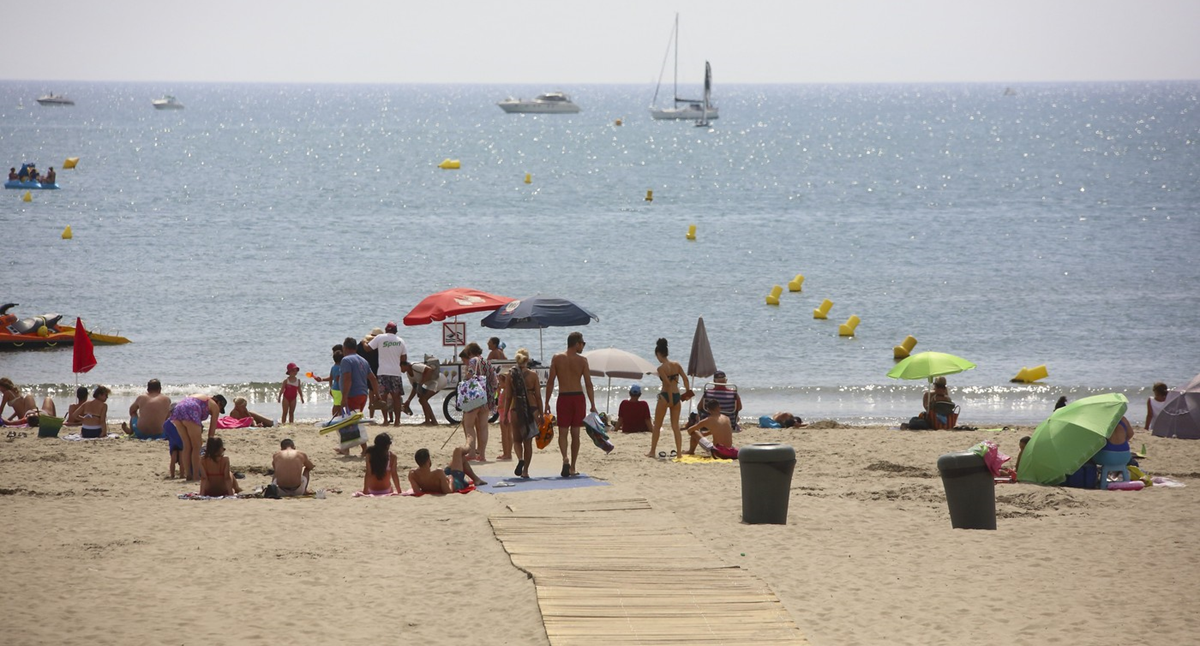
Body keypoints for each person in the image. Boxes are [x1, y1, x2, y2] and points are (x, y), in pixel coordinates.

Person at [545, 332, 597, 477]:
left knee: (562, 432)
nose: (583, 346)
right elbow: (588, 384)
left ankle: (565, 458)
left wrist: (546, 402)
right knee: (575, 434)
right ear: (577, 343)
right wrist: (593, 404)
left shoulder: (557, 358)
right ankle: (573, 467)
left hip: (564, 398)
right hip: (578, 398)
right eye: (583, 343)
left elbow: (550, 382)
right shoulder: (583, 361)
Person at [648, 338, 691, 458]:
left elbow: (667, 385)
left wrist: (670, 401)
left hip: (666, 397)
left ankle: (652, 452)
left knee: (657, 425)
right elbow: (685, 379)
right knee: (675, 426)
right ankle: (678, 453)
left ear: (658, 354)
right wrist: (688, 393)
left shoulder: (661, 368)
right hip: (677, 395)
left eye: (657, 356)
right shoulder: (676, 365)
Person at [169, 394, 227, 481]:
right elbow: (212, 427)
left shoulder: (200, 397)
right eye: (220, 408)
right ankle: (196, 475)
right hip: (191, 408)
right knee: (197, 446)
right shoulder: (214, 405)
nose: (218, 411)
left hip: (178, 408)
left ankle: (188, 474)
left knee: (187, 445)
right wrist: (210, 443)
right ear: (218, 402)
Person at [339, 336, 379, 456]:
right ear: (356, 347)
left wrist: (344, 397)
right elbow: (373, 379)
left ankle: (355, 448)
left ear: (344, 348)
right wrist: (377, 395)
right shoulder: (363, 360)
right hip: (363, 394)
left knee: (350, 422)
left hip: (353, 394)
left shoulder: (346, 360)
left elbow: (347, 379)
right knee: (354, 421)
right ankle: (352, 448)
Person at [507, 348, 542, 479]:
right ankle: (525, 471)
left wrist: (504, 414)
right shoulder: (533, 375)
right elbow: (538, 396)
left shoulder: (511, 374)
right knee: (528, 442)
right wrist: (542, 413)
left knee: (516, 440)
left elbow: (508, 397)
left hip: (516, 409)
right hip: (531, 410)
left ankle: (520, 459)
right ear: (527, 360)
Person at [460, 343, 495, 462]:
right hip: (485, 398)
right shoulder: (488, 362)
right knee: (483, 427)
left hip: (474, 397)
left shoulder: (473, 361)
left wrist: (464, 380)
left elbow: (470, 375)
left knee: (468, 425)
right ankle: (482, 455)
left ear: (470, 352)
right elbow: (494, 382)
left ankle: (471, 453)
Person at [369, 322, 408, 426]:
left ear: (386, 330)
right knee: (396, 398)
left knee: (383, 397)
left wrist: (364, 341)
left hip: (382, 371)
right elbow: (404, 359)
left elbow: (368, 348)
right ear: (396, 331)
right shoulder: (401, 341)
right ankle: (397, 421)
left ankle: (386, 420)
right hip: (396, 372)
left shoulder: (380, 337)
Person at [408, 447, 487, 494]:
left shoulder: (412, 474)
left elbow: (417, 492)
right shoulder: (438, 472)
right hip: (456, 482)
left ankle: (476, 479)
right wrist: (450, 479)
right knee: (458, 451)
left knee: (460, 457)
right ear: (428, 460)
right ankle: (470, 446)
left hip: (442, 477)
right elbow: (448, 491)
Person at [401, 359, 439, 426]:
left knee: (423, 400)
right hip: (429, 384)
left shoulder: (414, 366)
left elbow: (429, 370)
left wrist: (421, 383)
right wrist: (409, 400)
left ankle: (430, 421)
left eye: (400, 367)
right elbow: (414, 387)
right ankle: (431, 421)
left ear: (404, 365)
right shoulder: (409, 374)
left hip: (436, 382)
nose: (400, 370)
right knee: (422, 400)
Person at [358, 328, 384, 419]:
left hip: (366, 371)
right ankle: (377, 417)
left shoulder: (363, 345)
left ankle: (370, 416)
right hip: (378, 370)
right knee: (379, 394)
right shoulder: (381, 346)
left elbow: (357, 355)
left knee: (369, 394)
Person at [311, 345, 344, 416]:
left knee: (337, 404)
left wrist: (330, 387)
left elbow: (331, 378)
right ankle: (337, 416)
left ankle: (337, 416)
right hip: (339, 389)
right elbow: (338, 379)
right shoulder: (340, 367)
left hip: (334, 388)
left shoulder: (333, 367)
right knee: (339, 405)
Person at [495, 369, 513, 460]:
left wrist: (498, 407)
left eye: (500, 382)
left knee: (505, 435)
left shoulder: (506, 392)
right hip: (508, 414)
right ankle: (508, 453)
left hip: (504, 414)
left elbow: (504, 404)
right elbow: (498, 399)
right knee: (509, 434)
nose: (499, 384)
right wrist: (498, 392)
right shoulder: (506, 391)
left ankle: (507, 453)